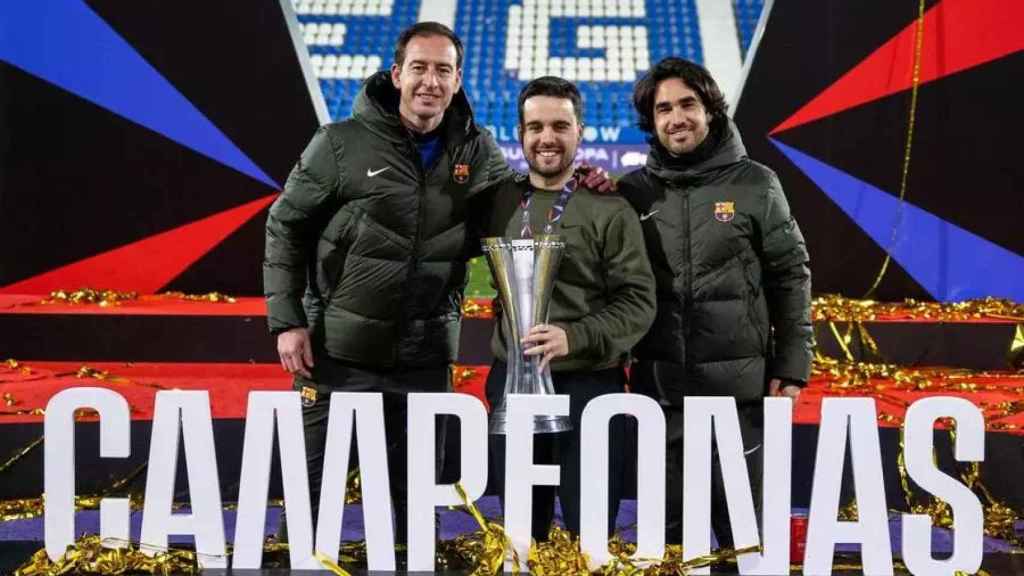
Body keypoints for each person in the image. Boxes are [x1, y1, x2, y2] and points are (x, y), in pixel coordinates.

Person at [264, 22, 609, 543]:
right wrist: (287, 321)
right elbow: (285, 226)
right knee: (309, 506)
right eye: (420, 68)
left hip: (424, 357)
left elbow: (521, 207)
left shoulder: (475, 151)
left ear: (457, 79)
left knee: (417, 509)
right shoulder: (338, 144)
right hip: (336, 351)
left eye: (443, 70)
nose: (430, 81)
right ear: (398, 73)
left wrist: (581, 184)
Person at [618, 57, 813, 549]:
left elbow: (790, 274)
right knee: (669, 544)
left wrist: (792, 367)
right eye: (663, 109)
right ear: (651, 121)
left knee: (743, 541)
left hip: (739, 397)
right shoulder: (634, 192)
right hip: (660, 396)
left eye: (688, 104)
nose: (676, 118)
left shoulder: (756, 183)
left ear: (711, 110)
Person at [472, 76, 656, 541]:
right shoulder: (499, 202)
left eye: (559, 125)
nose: (547, 138)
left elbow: (638, 301)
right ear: (521, 133)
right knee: (519, 535)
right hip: (513, 380)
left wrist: (574, 336)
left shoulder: (609, 208)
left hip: (588, 385)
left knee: (588, 534)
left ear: (580, 131)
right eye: (535, 126)